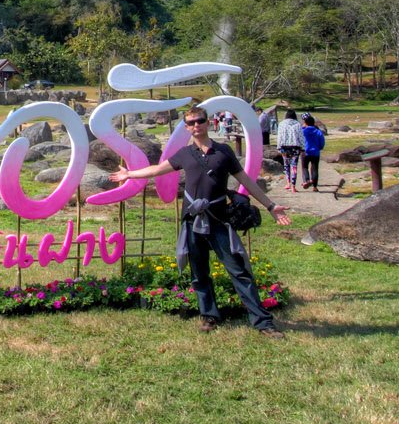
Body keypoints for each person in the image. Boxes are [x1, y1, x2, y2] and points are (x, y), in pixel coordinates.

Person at [109, 106, 291, 338]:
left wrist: (271, 206)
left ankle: (263, 323)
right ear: (187, 127)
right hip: (192, 221)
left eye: (200, 121)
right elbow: (157, 170)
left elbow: (246, 180)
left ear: (208, 122)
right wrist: (129, 175)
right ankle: (209, 316)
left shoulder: (223, 152)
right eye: (191, 123)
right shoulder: (185, 154)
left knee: (239, 270)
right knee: (199, 272)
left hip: (219, 220)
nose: (196, 125)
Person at [275, 108, 305, 192]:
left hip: (284, 147)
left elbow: (279, 136)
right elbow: (301, 137)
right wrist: (303, 148)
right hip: (295, 148)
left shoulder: (281, 124)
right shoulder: (298, 124)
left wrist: (279, 147)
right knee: (294, 166)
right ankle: (293, 186)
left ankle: (288, 183)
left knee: (286, 165)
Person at [301, 113, 326, 191]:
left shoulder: (303, 131)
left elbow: (300, 140)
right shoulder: (318, 131)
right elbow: (322, 141)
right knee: (315, 168)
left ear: (306, 123)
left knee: (305, 167)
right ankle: (315, 187)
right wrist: (320, 147)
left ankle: (307, 180)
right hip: (315, 152)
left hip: (305, 152)